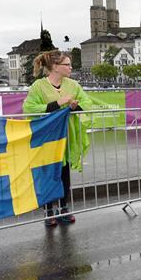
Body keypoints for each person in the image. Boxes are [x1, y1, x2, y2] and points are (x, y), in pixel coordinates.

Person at [23, 50, 92, 226]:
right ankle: (48, 210)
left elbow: (87, 103)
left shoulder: (73, 85)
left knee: (63, 173)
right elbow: (30, 108)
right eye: (67, 65)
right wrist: (58, 103)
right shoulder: (38, 86)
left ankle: (63, 208)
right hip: (47, 138)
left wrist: (75, 106)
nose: (71, 67)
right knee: (48, 173)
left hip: (66, 136)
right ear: (55, 67)